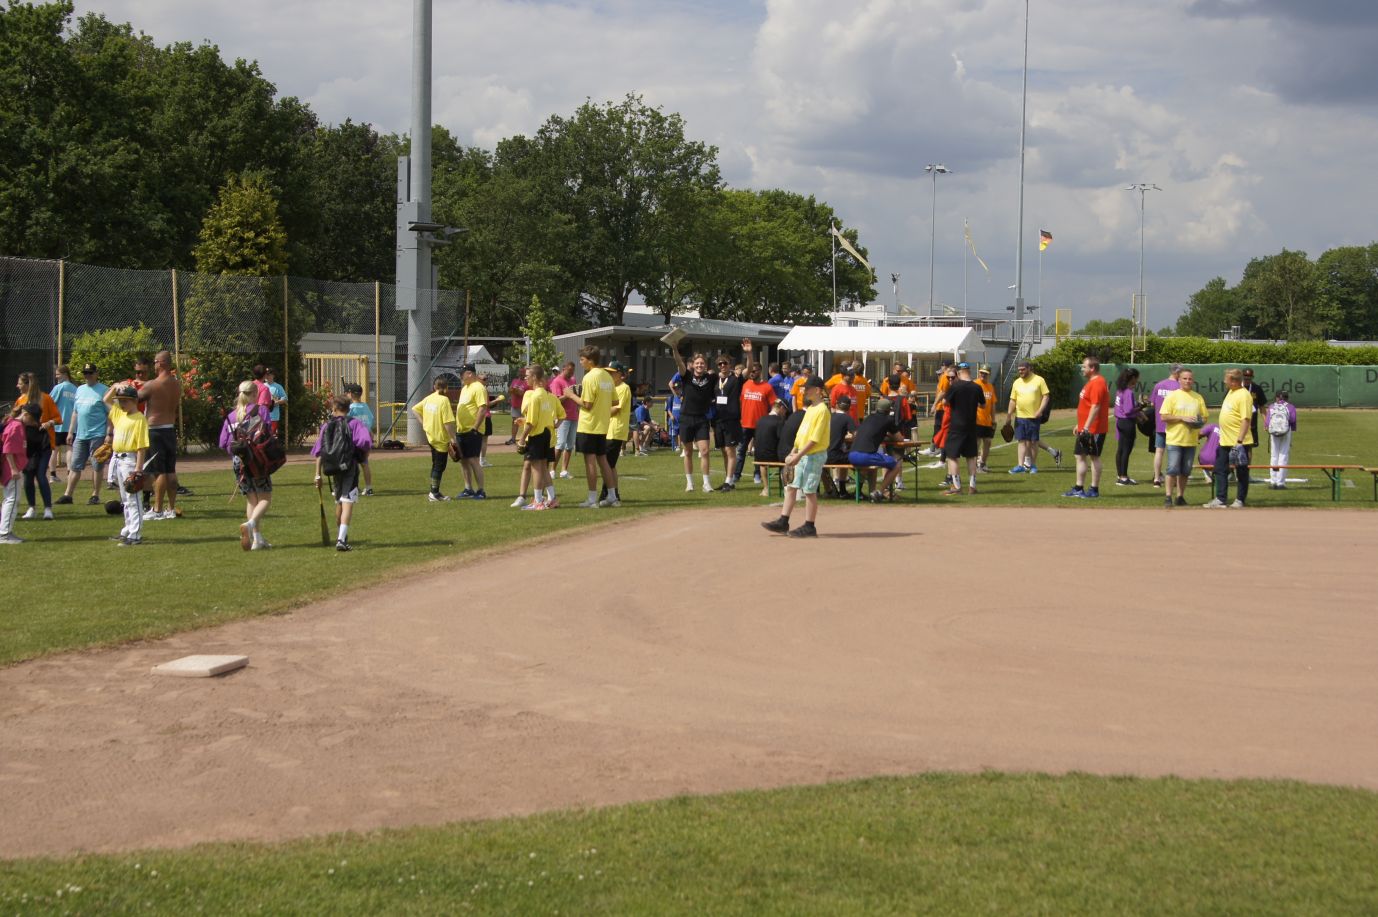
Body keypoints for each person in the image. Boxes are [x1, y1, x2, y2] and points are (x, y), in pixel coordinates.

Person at [761, 376, 829, 538]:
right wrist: (794, 451)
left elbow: (815, 439)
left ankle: (809, 526)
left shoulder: (822, 410)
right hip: (802, 453)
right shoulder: (811, 408)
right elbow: (802, 433)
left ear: (818, 391)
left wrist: (799, 455)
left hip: (813, 455)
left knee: (809, 490)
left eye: (808, 388)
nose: (805, 391)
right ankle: (783, 521)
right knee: (792, 486)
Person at [219, 381, 276, 548]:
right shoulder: (261, 410)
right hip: (256, 460)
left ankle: (257, 539)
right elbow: (268, 433)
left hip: (238, 462)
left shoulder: (231, 416)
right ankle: (250, 525)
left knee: (252, 500)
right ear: (254, 394)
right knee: (265, 498)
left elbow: (223, 443)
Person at [312, 396, 372, 551]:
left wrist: (317, 474)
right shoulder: (354, 423)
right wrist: (363, 457)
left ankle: (342, 535)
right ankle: (341, 539)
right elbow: (365, 442)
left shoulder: (326, 426)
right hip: (349, 467)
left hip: (332, 468)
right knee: (348, 501)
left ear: (334, 408)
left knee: (339, 501)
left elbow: (319, 452)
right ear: (348, 408)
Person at [102, 384, 149, 546]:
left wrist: (138, 470)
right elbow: (105, 400)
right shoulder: (119, 414)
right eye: (120, 400)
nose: (121, 403)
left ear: (134, 400)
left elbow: (141, 446)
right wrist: (115, 386)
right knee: (125, 499)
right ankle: (128, 530)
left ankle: (135, 534)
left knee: (133, 498)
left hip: (130, 460)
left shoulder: (140, 419)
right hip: (117, 460)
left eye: (125, 400)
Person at [138, 350, 183, 520]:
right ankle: (170, 508)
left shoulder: (152, 384)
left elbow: (135, 398)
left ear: (161, 363)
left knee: (159, 472)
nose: (154, 365)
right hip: (170, 429)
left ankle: (157, 510)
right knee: (170, 470)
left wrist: (123, 387)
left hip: (155, 430)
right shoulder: (177, 384)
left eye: (155, 362)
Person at [58, 364, 109, 506]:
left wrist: (108, 433)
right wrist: (70, 431)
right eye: (85, 373)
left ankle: (95, 495)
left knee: (97, 465)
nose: (87, 376)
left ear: (96, 373)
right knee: (75, 465)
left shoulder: (104, 390)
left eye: (90, 373)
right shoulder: (80, 389)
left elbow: (110, 414)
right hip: (80, 435)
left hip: (98, 434)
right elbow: (75, 412)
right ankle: (68, 494)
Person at [1157, 368, 1207, 508]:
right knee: (1172, 469)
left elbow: (1204, 417)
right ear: (1179, 380)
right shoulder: (1172, 396)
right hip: (1175, 439)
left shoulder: (1198, 397)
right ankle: (1168, 496)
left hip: (1191, 440)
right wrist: (1182, 418)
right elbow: (1164, 416)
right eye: (1185, 378)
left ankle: (1180, 496)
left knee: (1185, 471)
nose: (1187, 381)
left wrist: (1198, 422)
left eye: (1190, 379)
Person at [573, 346, 616, 508]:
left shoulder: (590, 377)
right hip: (602, 424)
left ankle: (592, 499)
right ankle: (612, 496)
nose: (581, 362)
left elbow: (587, 404)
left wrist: (571, 395)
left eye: (582, 359)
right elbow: (615, 401)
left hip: (589, 425)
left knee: (590, 461)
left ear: (590, 360)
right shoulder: (607, 376)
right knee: (603, 461)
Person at [513, 365, 561, 510]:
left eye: (528, 376)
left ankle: (538, 501)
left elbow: (532, 422)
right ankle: (552, 498)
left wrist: (522, 438)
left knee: (536, 468)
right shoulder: (546, 395)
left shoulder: (535, 396)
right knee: (543, 468)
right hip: (546, 433)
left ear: (534, 377)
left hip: (537, 434)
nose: (525, 379)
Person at [1205, 368, 1254, 508]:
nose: (1224, 381)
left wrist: (1239, 441)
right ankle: (1221, 499)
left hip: (1239, 442)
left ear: (1233, 381)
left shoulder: (1244, 395)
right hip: (1225, 441)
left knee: (1241, 471)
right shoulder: (1230, 392)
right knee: (1220, 469)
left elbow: (1246, 419)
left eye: (1226, 379)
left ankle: (1240, 500)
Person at [14, 373, 60, 520]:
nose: (18, 386)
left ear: (27, 384)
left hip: (43, 442)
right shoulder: (21, 400)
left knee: (40, 475)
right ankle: (31, 507)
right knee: (28, 476)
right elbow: (16, 419)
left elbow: (58, 418)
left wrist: (49, 423)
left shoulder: (45, 398)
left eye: (20, 383)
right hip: (27, 445)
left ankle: (48, 509)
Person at [1064, 357, 1109, 499]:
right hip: (1086, 427)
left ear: (1092, 368)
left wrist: (1086, 427)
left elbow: (1095, 407)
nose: (1082, 369)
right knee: (1079, 456)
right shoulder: (1091, 382)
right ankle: (1079, 488)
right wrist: (1080, 424)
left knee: (1094, 457)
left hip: (1094, 428)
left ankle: (1094, 489)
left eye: (1084, 366)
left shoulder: (1098, 383)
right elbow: (1087, 405)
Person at [672, 348, 716, 493]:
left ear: (706, 365)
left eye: (702, 363)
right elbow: (679, 362)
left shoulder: (711, 378)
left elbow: (726, 374)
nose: (699, 365)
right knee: (688, 452)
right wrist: (674, 348)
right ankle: (689, 483)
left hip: (701, 419)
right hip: (686, 418)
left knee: (704, 451)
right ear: (693, 365)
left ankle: (706, 484)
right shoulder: (686, 376)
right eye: (697, 363)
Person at [941, 363, 985, 496]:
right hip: (971, 425)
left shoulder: (955, 386)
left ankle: (956, 486)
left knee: (952, 456)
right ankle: (972, 486)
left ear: (959, 373)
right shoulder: (977, 387)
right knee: (971, 456)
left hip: (957, 425)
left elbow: (944, 402)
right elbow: (983, 405)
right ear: (969, 371)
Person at [734, 351, 777, 487]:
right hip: (745, 424)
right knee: (741, 451)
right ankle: (736, 475)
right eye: (751, 371)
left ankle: (757, 474)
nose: (752, 373)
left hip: (760, 426)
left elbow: (774, 405)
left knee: (759, 452)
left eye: (754, 371)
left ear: (760, 371)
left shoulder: (767, 387)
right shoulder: (745, 385)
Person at [413, 375, 458, 502]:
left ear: (434, 387)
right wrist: (453, 438)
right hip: (440, 438)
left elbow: (414, 409)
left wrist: (423, 423)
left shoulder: (429, 398)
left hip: (431, 436)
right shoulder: (444, 400)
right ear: (446, 388)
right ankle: (434, 493)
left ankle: (434, 491)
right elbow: (447, 423)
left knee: (435, 465)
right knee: (439, 466)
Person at [849, 398, 904, 502]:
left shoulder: (869, 418)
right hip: (865, 456)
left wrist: (883, 435)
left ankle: (869, 493)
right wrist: (889, 435)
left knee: (871, 468)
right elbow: (900, 438)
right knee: (896, 465)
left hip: (852, 454)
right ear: (889, 410)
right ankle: (879, 492)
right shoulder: (888, 420)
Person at [449, 364, 490, 499]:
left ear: (470, 373)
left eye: (462, 373)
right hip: (461, 430)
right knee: (463, 460)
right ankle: (468, 489)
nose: (460, 376)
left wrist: (475, 428)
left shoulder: (478, 387)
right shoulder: (465, 388)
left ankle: (481, 490)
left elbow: (482, 408)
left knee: (473, 460)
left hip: (473, 430)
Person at [1006, 361, 1052, 474]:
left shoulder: (1039, 380)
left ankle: (1033, 466)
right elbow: (1013, 400)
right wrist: (1009, 415)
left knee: (1033, 442)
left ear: (1029, 369)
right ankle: (1020, 466)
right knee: (1021, 441)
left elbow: (1046, 396)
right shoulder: (1017, 382)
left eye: (1023, 369)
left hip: (1033, 417)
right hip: (1020, 417)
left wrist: (1040, 411)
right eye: (1019, 370)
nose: (1020, 372)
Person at [599, 360, 632, 506]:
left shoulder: (624, 388)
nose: (609, 375)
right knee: (609, 465)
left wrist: (599, 412)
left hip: (616, 430)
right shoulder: (611, 388)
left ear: (619, 374)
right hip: (608, 430)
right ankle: (613, 494)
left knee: (607, 464)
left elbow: (616, 409)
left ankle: (607, 493)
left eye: (612, 372)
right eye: (608, 372)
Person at [712, 351, 743, 491]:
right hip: (718, 420)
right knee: (724, 451)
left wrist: (749, 353)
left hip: (731, 420)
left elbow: (748, 369)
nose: (722, 366)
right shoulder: (715, 380)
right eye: (720, 364)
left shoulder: (735, 379)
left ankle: (729, 481)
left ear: (730, 365)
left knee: (730, 451)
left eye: (725, 363)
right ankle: (728, 481)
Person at [1149, 364, 1183, 487]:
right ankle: (1174, 480)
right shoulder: (1179, 387)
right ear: (1177, 373)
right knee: (1174, 452)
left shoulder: (1159, 385)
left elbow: (1152, 404)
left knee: (1159, 451)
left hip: (1160, 424)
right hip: (1174, 425)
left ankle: (1156, 479)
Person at [0, 406, 28, 543]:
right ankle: (4, 534)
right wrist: (13, 469)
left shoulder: (11, 423)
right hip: (10, 468)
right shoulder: (15, 426)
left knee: (9, 499)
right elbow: (8, 449)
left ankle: (4, 533)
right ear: (26, 414)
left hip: (7, 467)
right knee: (12, 499)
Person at [752, 398, 789, 496]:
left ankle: (766, 488)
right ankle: (786, 487)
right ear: (781, 408)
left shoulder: (760, 420)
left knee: (763, 464)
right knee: (788, 457)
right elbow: (782, 439)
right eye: (785, 411)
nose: (785, 414)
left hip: (759, 456)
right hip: (774, 457)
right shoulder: (779, 421)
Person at [549, 362, 580, 479]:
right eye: (570, 371)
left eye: (573, 371)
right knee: (560, 444)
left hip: (573, 416)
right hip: (563, 417)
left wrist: (576, 394)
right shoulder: (557, 381)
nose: (572, 373)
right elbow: (556, 400)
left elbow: (574, 396)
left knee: (570, 445)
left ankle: (564, 471)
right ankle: (552, 470)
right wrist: (568, 395)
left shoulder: (572, 380)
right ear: (563, 369)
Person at [1112, 366, 1142, 486]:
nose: (1137, 380)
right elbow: (1129, 410)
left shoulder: (1120, 390)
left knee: (1120, 449)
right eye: (1136, 378)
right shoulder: (1128, 392)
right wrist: (1141, 407)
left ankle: (1120, 475)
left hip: (1120, 422)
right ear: (1133, 378)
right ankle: (1123, 478)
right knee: (1126, 450)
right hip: (1127, 422)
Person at [344, 383, 375, 495]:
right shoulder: (365, 406)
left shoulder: (350, 408)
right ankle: (369, 488)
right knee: (364, 463)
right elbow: (371, 420)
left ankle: (353, 487)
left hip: (353, 439)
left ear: (351, 394)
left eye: (347, 392)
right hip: (365, 439)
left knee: (351, 465)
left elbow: (345, 421)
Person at [825, 394, 859, 497]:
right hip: (834, 456)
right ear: (849, 407)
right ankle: (854, 492)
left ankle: (841, 491)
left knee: (844, 454)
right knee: (860, 459)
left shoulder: (829, 417)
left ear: (836, 405)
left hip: (823, 455)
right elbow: (857, 435)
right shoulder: (847, 418)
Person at [1266, 390, 1297, 489]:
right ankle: (1280, 482)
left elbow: (1267, 422)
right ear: (1287, 397)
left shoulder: (1271, 406)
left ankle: (1273, 481)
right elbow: (1293, 420)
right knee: (1283, 455)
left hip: (1273, 432)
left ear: (1277, 397)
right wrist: (1292, 429)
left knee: (1274, 456)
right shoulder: (1290, 407)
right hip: (1285, 432)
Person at [49, 364, 76, 478]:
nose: (56, 377)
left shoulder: (58, 387)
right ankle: (69, 472)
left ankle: (52, 475)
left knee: (54, 450)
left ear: (65, 374)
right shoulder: (75, 388)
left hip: (57, 424)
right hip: (71, 425)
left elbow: (49, 402)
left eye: (58, 374)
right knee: (70, 448)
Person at [973, 365, 996, 472]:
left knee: (988, 442)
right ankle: (974, 465)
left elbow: (992, 404)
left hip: (987, 421)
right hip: (976, 420)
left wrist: (993, 419)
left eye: (985, 373)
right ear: (979, 373)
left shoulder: (990, 386)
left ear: (989, 374)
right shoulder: (975, 384)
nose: (983, 374)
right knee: (976, 443)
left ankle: (982, 463)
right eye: (981, 372)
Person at [1242, 368, 1266, 459]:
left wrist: (1266, 422)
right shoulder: (1236, 387)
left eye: (1249, 378)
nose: (1247, 380)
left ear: (1252, 377)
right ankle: (1233, 467)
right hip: (1237, 423)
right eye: (1245, 378)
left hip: (1251, 424)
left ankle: (1247, 467)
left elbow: (1262, 407)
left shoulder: (1257, 388)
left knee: (1249, 447)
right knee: (1234, 446)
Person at [262, 367, 287, 439]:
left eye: (268, 374)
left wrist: (276, 402)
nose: (267, 376)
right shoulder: (262, 386)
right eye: (266, 374)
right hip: (262, 416)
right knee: (262, 437)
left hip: (273, 416)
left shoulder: (278, 387)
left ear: (273, 375)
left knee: (272, 437)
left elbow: (285, 398)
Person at [506, 371, 529, 445]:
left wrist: (516, 391)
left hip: (524, 406)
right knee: (515, 422)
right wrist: (512, 390)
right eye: (519, 373)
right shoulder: (515, 381)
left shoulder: (527, 382)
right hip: (515, 405)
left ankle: (525, 438)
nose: (520, 374)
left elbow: (523, 394)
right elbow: (509, 390)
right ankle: (513, 439)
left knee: (526, 422)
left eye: (522, 373)